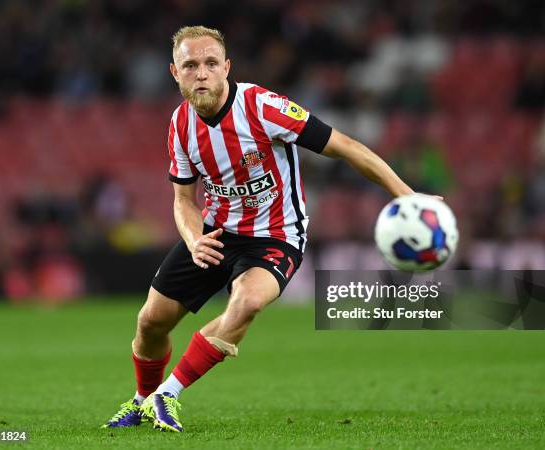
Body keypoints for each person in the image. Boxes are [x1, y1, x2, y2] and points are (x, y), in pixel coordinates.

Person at [103, 25, 415, 432]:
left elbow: (347, 148)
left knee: (247, 302)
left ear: (227, 67)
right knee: (150, 322)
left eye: (211, 63)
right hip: (216, 233)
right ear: (174, 73)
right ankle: (143, 399)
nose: (202, 73)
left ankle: (169, 393)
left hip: (276, 236)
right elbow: (183, 200)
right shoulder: (181, 125)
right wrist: (194, 239)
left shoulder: (263, 107)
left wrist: (407, 195)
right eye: (191, 65)